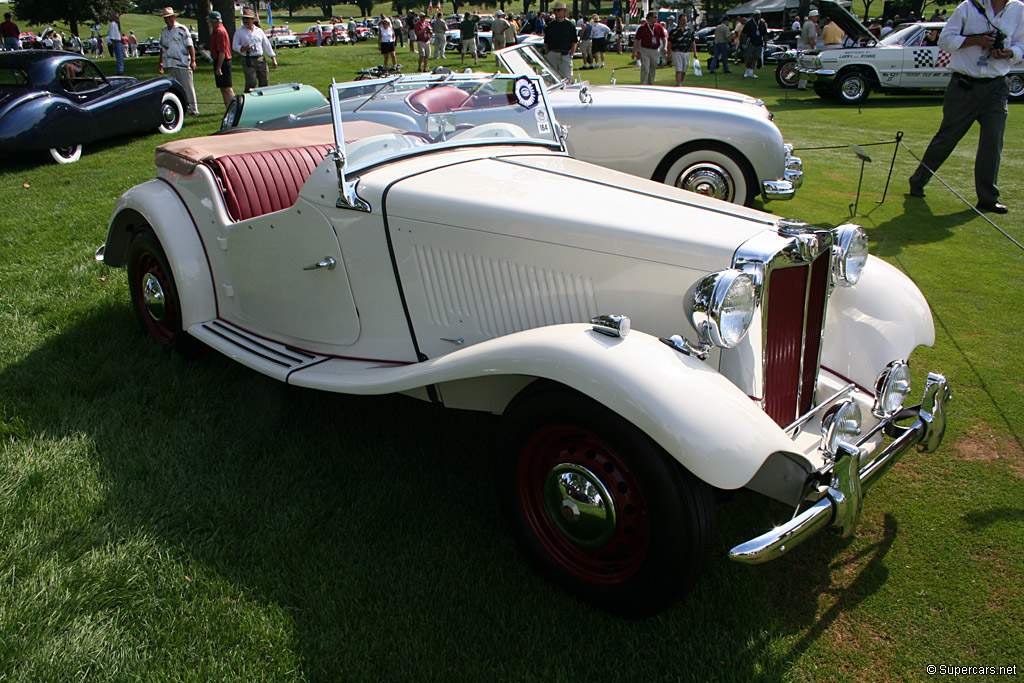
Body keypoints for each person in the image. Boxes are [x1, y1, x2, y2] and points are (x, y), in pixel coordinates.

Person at [908, 0, 1024, 213]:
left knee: (993, 141)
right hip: (964, 85)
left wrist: (1010, 52)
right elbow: (944, 40)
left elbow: (1022, 44)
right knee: (947, 137)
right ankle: (918, 179)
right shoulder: (968, 7)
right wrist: (975, 40)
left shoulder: (1018, 9)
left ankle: (988, 198)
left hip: (996, 87)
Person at [158, 7, 199, 114]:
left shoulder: (182, 29)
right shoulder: (164, 31)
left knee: (188, 87)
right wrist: (160, 63)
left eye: (169, 17)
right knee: (176, 88)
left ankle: (193, 109)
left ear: (173, 17)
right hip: (170, 63)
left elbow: (190, 46)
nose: (167, 20)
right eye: (165, 18)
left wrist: (193, 61)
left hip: (183, 63)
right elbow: (162, 48)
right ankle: (182, 108)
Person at [231, 6, 276, 93]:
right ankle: (248, 101)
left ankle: (264, 101)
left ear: (252, 20)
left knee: (264, 82)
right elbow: (234, 46)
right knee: (251, 82)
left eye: (247, 19)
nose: (245, 21)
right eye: (244, 19)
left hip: (260, 59)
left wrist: (273, 58)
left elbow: (266, 45)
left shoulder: (259, 31)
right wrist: (243, 48)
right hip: (248, 59)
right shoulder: (239, 32)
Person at [632, 11, 668, 84]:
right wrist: (635, 52)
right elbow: (636, 40)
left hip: (655, 50)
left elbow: (664, 38)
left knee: (652, 68)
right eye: (655, 17)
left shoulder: (659, 27)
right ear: (650, 18)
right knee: (645, 67)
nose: (656, 19)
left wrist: (665, 47)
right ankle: (643, 84)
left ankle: (651, 84)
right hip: (645, 50)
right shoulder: (642, 28)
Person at [207, 11, 234, 108]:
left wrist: (219, 67)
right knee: (222, 88)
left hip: (223, 62)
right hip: (219, 61)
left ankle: (235, 108)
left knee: (227, 88)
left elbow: (222, 51)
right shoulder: (217, 31)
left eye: (210, 21)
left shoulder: (219, 32)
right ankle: (228, 108)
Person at [544, 2, 578, 79]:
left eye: (558, 10)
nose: (556, 12)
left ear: (564, 12)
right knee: (552, 78)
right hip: (552, 54)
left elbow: (574, 41)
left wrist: (571, 54)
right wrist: (548, 54)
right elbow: (546, 41)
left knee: (567, 78)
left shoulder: (570, 25)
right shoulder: (550, 25)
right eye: (555, 10)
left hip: (565, 54)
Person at [668, 15, 697, 86]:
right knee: (679, 69)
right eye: (683, 20)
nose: (684, 22)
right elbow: (670, 42)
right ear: (679, 20)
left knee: (684, 69)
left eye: (685, 20)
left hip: (686, 52)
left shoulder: (689, 31)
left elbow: (693, 42)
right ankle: (678, 84)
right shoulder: (674, 31)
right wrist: (668, 53)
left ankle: (679, 82)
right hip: (677, 51)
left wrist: (695, 52)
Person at [740, 10, 768, 78]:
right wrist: (741, 42)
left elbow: (764, 35)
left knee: (755, 58)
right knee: (749, 57)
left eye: (759, 15)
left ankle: (751, 72)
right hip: (750, 43)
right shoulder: (749, 23)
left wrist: (765, 44)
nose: (758, 16)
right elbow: (743, 33)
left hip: (758, 43)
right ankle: (747, 71)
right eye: (757, 15)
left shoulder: (761, 24)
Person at [796, 10, 819, 89]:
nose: (817, 18)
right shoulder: (811, 25)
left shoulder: (805, 23)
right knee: (810, 66)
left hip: (805, 45)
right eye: (816, 17)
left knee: (804, 66)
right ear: (813, 17)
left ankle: (802, 84)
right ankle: (803, 85)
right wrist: (813, 47)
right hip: (809, 46)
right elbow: (811, 37)